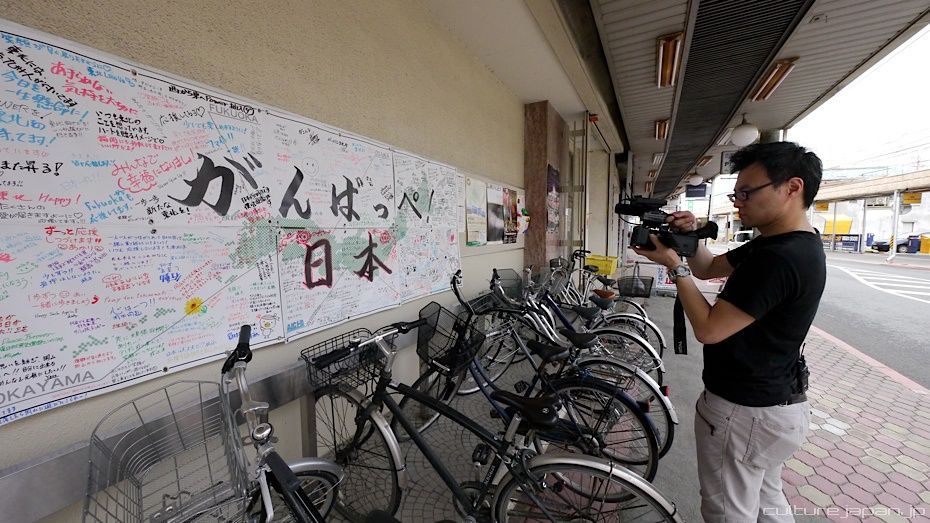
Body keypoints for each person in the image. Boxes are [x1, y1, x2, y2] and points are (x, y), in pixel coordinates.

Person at [633, 141, 825, 522]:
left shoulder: (779, 258)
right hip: (777, 406)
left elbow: (708, 329)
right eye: (735, 194)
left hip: (744, 412)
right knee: (768, 504)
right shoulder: (782, 243)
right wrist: (688, 241)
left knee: (728, 513)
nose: (738, 203)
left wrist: (674, 266)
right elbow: (708, 268)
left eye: (747, 193)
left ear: (792, 188)